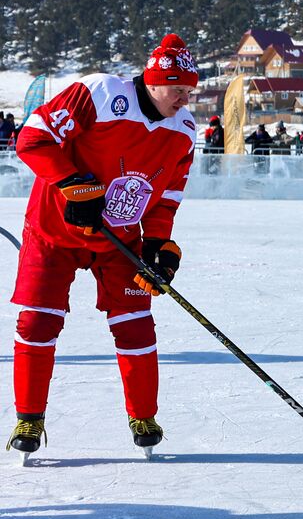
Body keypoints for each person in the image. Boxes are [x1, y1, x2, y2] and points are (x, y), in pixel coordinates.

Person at [7, 33, 199, 457]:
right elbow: (32, 138)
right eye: (177, 89)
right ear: (153, 81)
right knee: (38, 323)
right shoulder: (99, 92)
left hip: (119, 240)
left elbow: (164, 198)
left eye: (190, 91)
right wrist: (72, 184)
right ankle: (29, 418)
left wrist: (159, 246)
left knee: (135, 322)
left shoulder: (183, 132)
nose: (185, 99)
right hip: (53, 231)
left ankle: (143, 415)